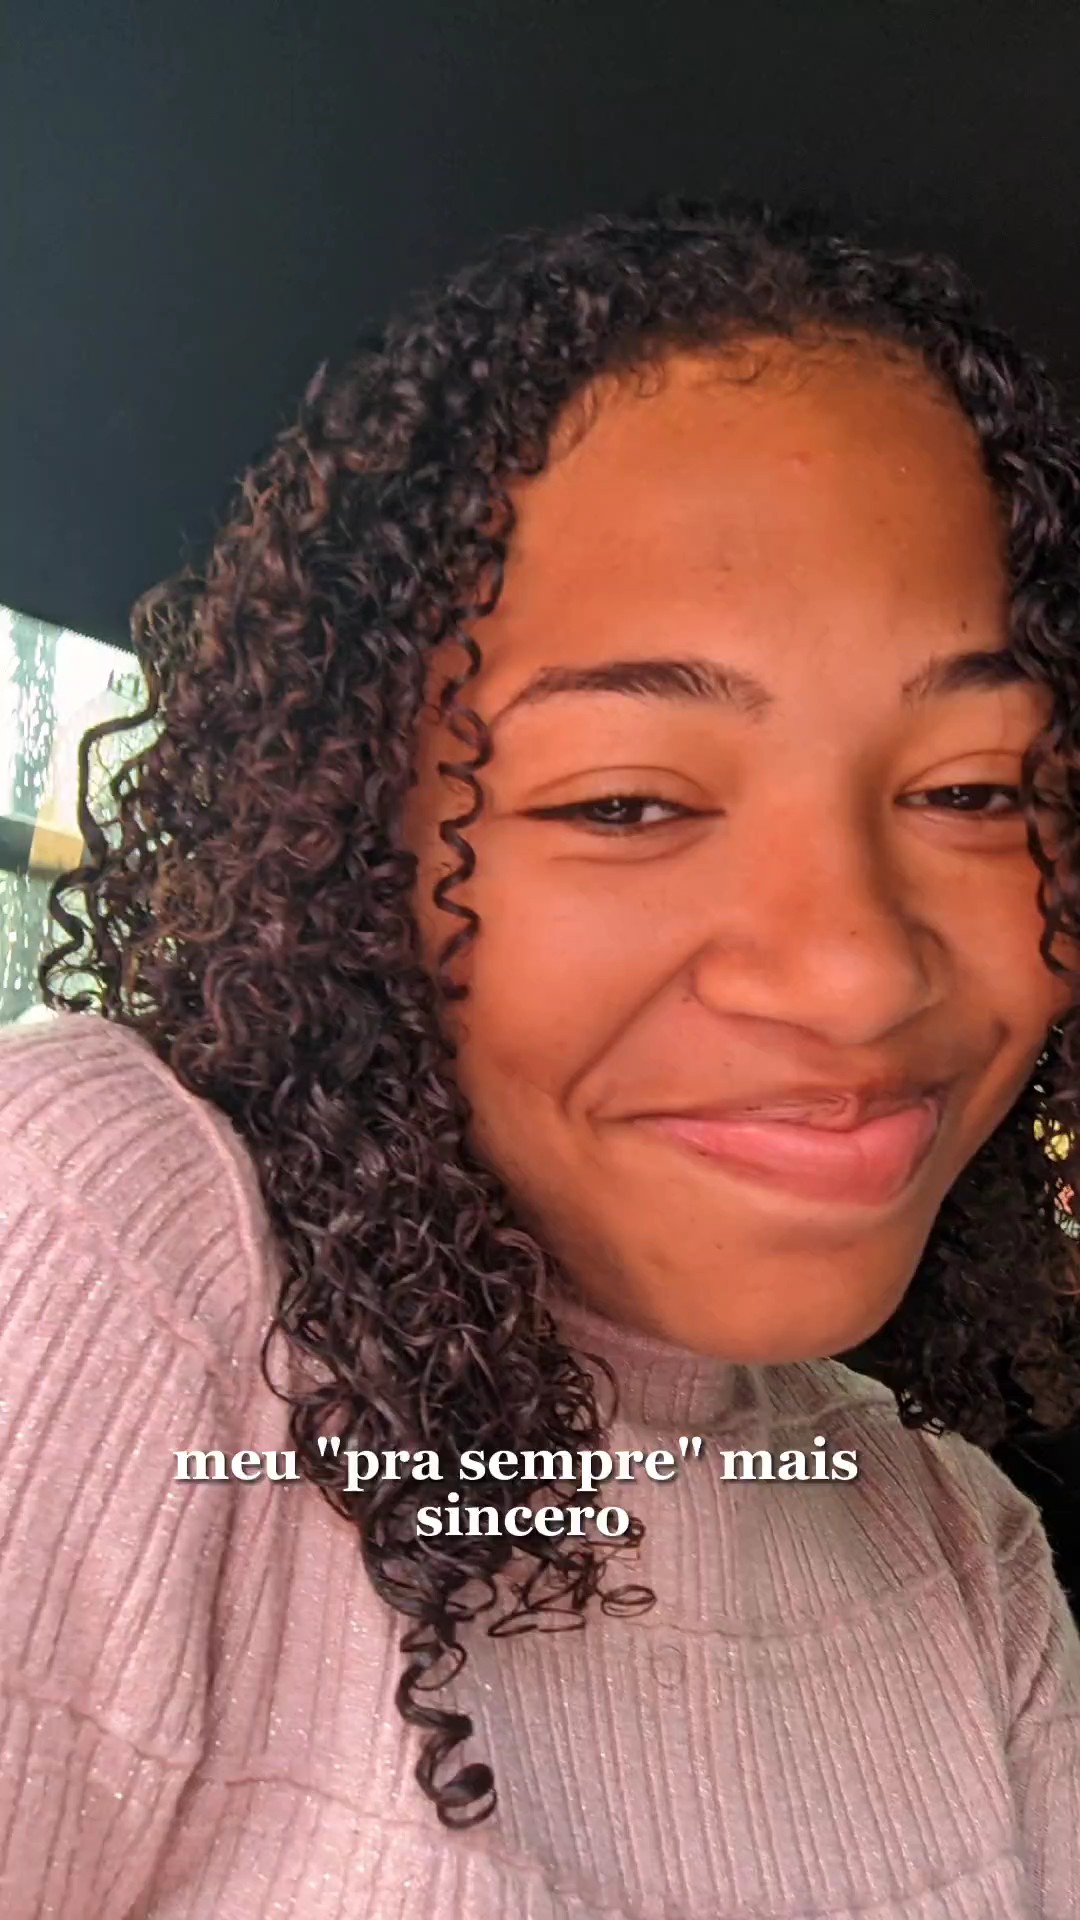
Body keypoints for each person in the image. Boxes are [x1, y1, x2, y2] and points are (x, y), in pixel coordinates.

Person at [2, 196, 1080, 1919]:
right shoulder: (106, 1242)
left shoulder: (960, 1546)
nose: (859, 974)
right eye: (627, 802)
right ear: (351, 860)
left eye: (972, 790)